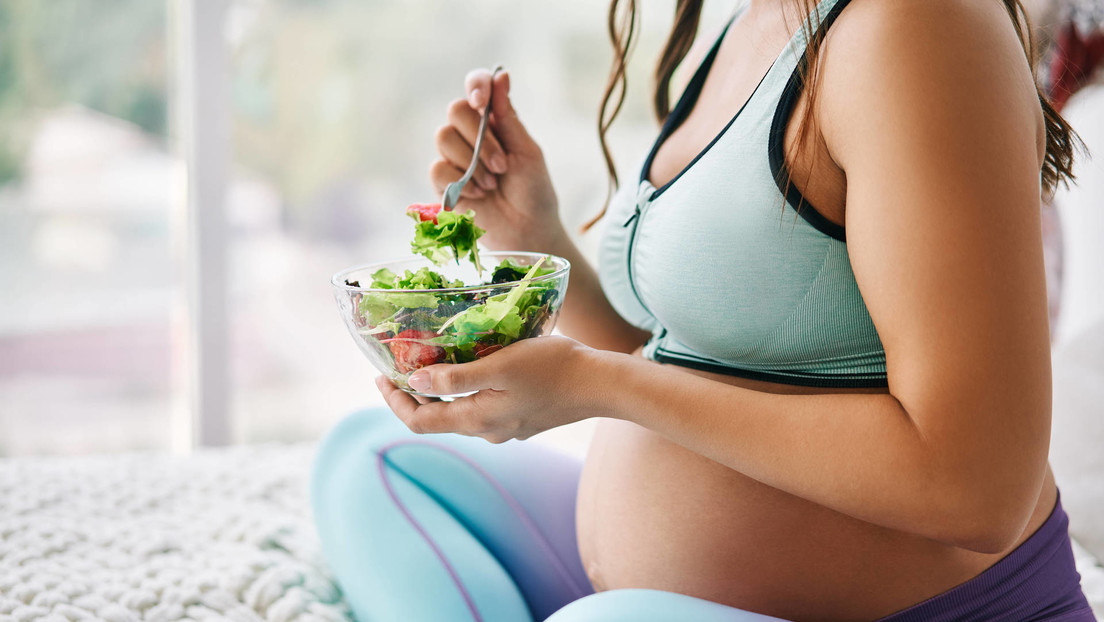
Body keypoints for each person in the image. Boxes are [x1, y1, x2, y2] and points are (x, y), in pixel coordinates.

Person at [311, 0, 1097, 620]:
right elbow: (696, 361)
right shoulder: (756, 21)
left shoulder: (918, 25)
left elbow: (977, 488)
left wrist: (593, 383)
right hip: (664, 594)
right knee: (371, 460)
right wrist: (535, 235)